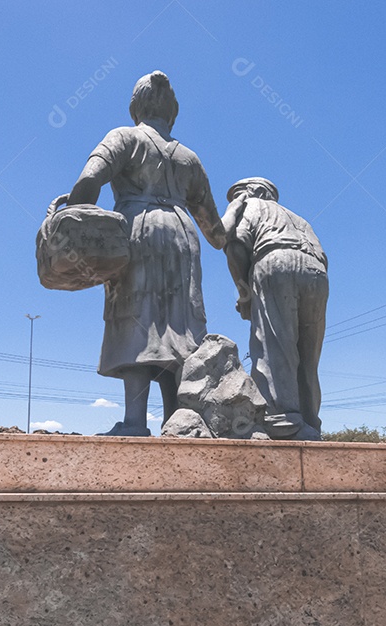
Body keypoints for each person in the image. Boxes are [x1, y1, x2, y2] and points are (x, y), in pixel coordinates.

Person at [67, 71, 227, 436]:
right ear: (172, 111)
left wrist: (71, 217)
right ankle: (178, 420)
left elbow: (89, 181)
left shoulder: (123, 137)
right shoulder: (189, 157)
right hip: (183, 237)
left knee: (137, 319)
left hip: (136, 229)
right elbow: (216, 231)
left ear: (134, 107)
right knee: (179, 325)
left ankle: (135, 422)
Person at [221, 177, 329, 440]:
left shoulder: (251, 205)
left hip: (275, 260)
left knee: (275, 345)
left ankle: (282, 422)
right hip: (317, 272)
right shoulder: (299, 219)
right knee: (308, 356)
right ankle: (309, 422)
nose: (237, 199)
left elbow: (234, 243)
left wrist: (243, 291)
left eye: (238, 194)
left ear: (254, 192)